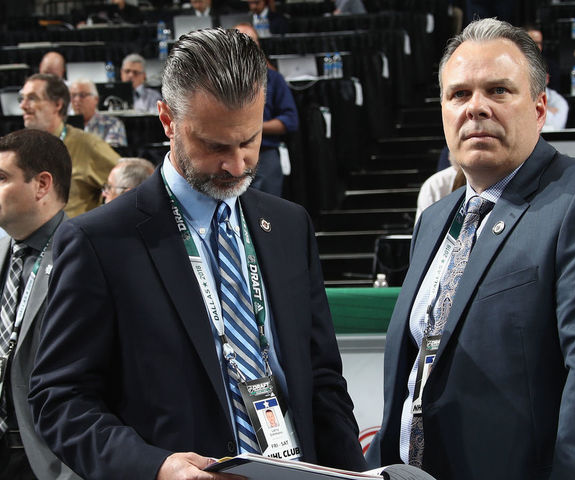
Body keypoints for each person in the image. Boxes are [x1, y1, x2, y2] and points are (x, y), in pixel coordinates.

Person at [29, 28, 367, 480]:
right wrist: (155, 466)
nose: (237, 165)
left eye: (248, 140)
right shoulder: (99, 241)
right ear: (167, 120)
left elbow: (322, 381)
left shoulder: (289, 226)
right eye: (214, 145)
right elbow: (59, 399)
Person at [367, 18, 575, 479]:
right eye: (459, 95)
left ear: (539, 109)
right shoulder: (435, 219)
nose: (476, 108)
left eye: (498, 91)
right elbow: (413, 381)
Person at [0, 129, 79, 480]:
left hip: (46, 459)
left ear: (42, 185)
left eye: (2, 178)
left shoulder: (88, 257)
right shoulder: (3, 249)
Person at [20, 73, 119, 217]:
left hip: (74, 236)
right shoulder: (20, 148)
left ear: (57, 104)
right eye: (22, 98)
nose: (23, 106)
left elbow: (130, 182)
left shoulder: (87, 145)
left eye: (32, 98)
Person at [234, 23, 298, 196]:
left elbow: (290, 121)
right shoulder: (217, 81)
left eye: (251, 42)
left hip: (266, 153)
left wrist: (254, 129)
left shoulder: (274, 79)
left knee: (268, 214)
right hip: (230, 154)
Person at [525, 27, 568, 130]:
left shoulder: (558, 100)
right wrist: (547, 109)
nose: (536, 47)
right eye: (531, 42)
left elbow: (555, 129)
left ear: (547, 78)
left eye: (539, 43)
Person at [70, 79, 128, 147]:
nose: (76, 100)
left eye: (82, 95)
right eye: (73, 95)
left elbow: (111, 154)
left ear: (96, 99)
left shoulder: (112, 124)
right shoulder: (65, 125)